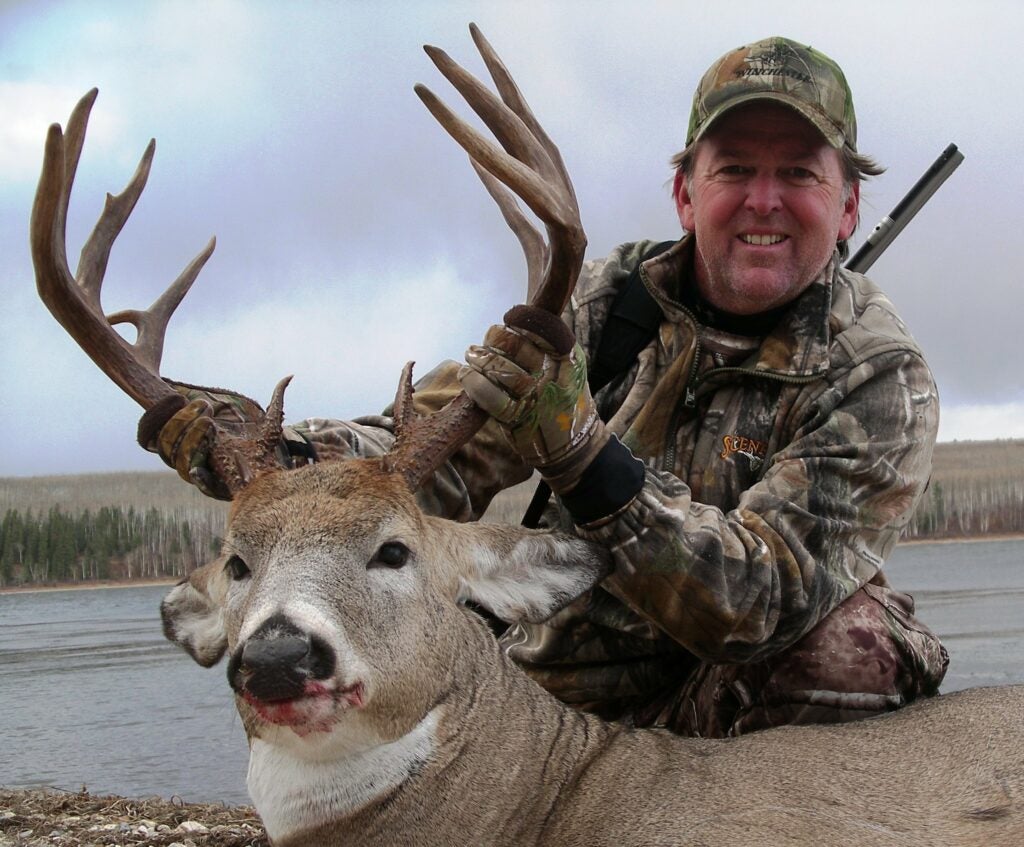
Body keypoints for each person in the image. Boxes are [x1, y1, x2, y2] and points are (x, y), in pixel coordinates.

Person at [144, 36, 948, 738]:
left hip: (728, 711)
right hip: (552, 707)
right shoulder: (598, 307)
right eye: (734, 168)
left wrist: (586, 459)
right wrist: (274, 455)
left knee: (856, 648)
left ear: (846, 207)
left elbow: (765, 600)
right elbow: (428, 457)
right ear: (686, 193)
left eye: (799, 174)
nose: (763, 200)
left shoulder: (878, 374)